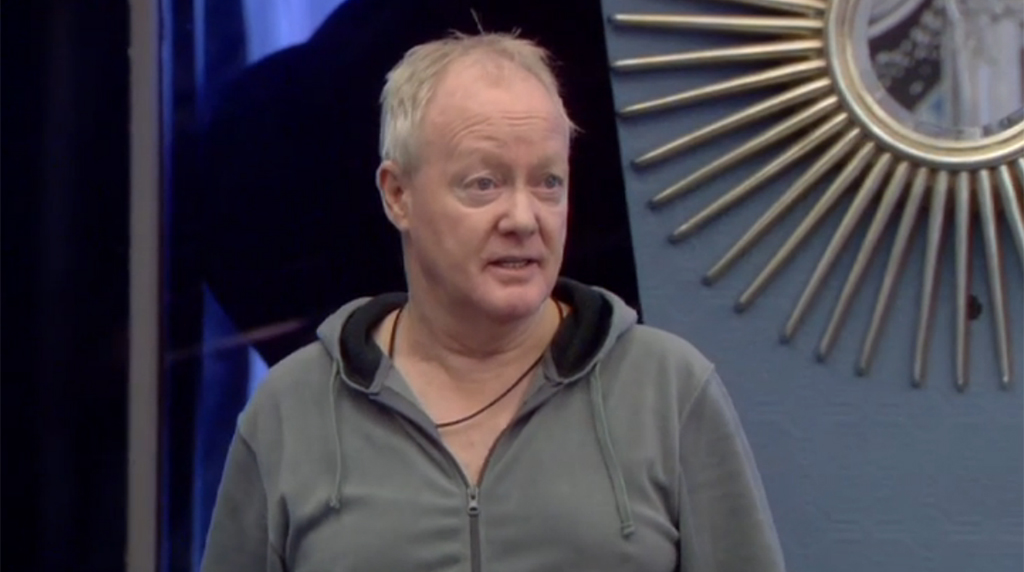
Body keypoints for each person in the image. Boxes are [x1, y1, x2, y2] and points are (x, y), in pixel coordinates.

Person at [200, 32, 787, 572]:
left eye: (548, 182)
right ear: (398, 195)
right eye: (484, 184)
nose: (524, 219)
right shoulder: (292, 410)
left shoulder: (668, 390)